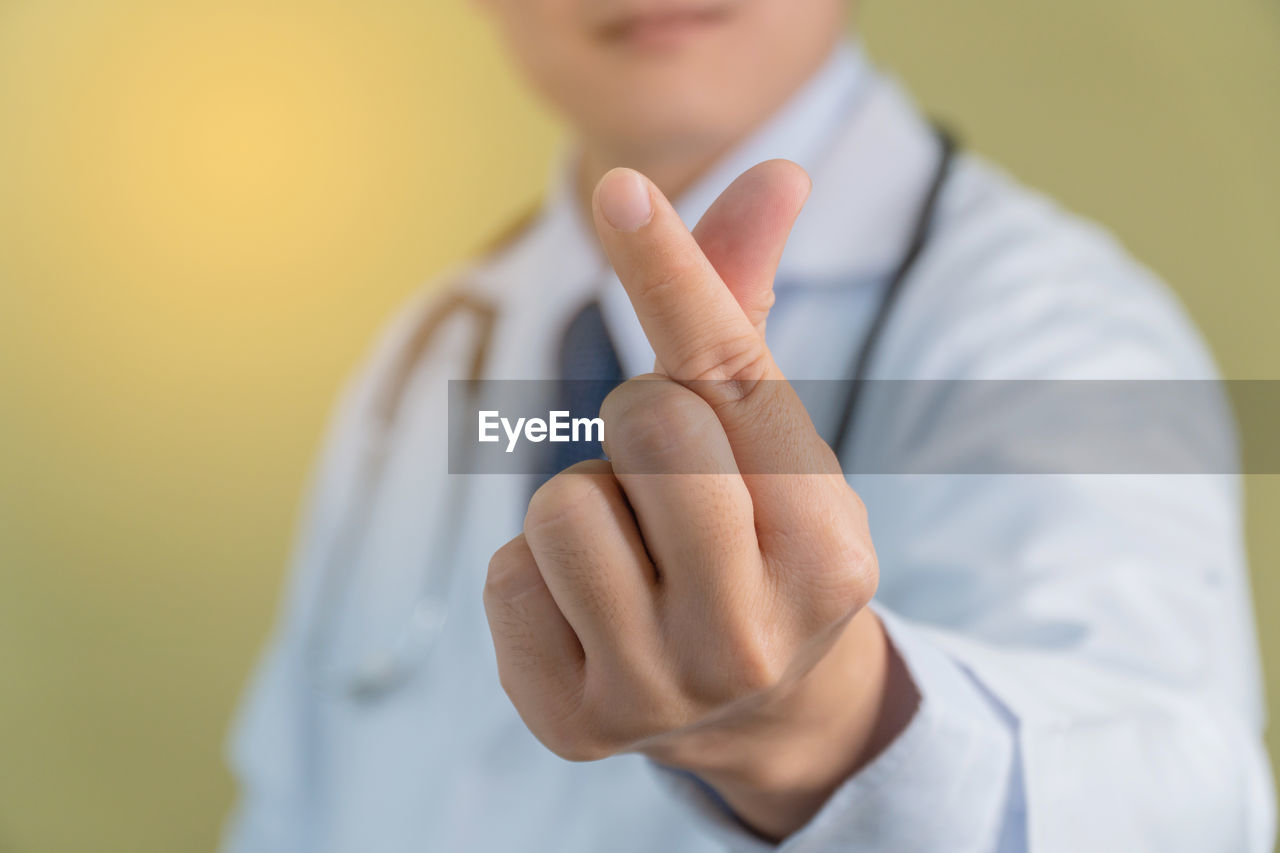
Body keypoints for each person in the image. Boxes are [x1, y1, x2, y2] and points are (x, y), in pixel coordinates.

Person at [220, 2, 1275, 851]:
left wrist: (826, 727)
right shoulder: (427, 358)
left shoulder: (1051, 329)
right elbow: (292, 798)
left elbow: (1181, 804)